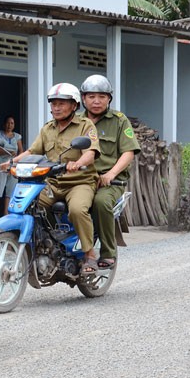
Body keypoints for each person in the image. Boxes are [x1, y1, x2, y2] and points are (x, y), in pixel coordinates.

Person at [4, 83, 102, 274]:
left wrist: (77, 163)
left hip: (79, 182)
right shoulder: (47, 128)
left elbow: (90, 152)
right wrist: (11, 163)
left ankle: (89, 255)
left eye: (61, 104)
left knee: (77, 210)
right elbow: (33, 151)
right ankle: (46, 244)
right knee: (30, 204)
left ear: (74, 106)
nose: (56, 108)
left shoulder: (85, 125)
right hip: (52, 182)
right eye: (53, 104)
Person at [79, 74, 140, 269]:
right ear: (83, 99)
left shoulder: (119, 121)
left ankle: (107, 252)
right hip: (79, 179)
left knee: (101, 202)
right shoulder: (74, 121)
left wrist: (111, 174)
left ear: (109, 99)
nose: (96, 101)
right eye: (91, 96)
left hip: (109, 182)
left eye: (102, 97)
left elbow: (129, 152)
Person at [0, 115, 23, 219]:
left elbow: (21, 151)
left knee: (10, 191)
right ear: (4, 124)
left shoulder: (17, 136)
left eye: (12, 123)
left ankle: (6, 215)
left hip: (13, 167)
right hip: (1, 167)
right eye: (8, 123)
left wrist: (17, 161)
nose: (9, 125)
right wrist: (8, 152)